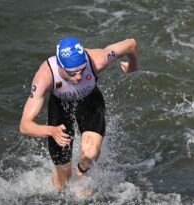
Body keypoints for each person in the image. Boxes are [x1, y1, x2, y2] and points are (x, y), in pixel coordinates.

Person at [19, 36, 138, 191]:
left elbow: (131, 44)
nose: (79, 77)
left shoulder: (97, 60)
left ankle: (82, 172)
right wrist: (51, 131)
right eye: (73, 73)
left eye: (82, 69)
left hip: (89, 101)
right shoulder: (45, 76)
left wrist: (133, 66)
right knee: (62, 182)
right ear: (60, 66)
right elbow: (24, 125)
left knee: (90, 153)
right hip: (60, 107)